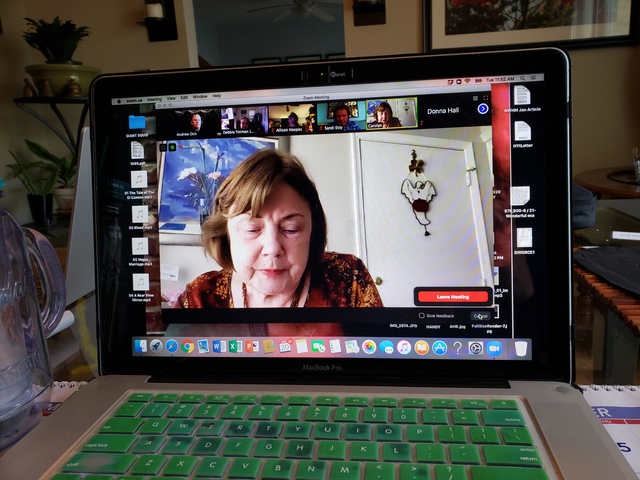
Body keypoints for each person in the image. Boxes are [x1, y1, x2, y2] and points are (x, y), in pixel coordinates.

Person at [177, 149, 383, 335]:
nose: (273, 248)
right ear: (225, 235)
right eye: (252, 229)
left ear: (313, 233)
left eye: (291, 229)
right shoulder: (199, 298)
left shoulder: (347, 277)